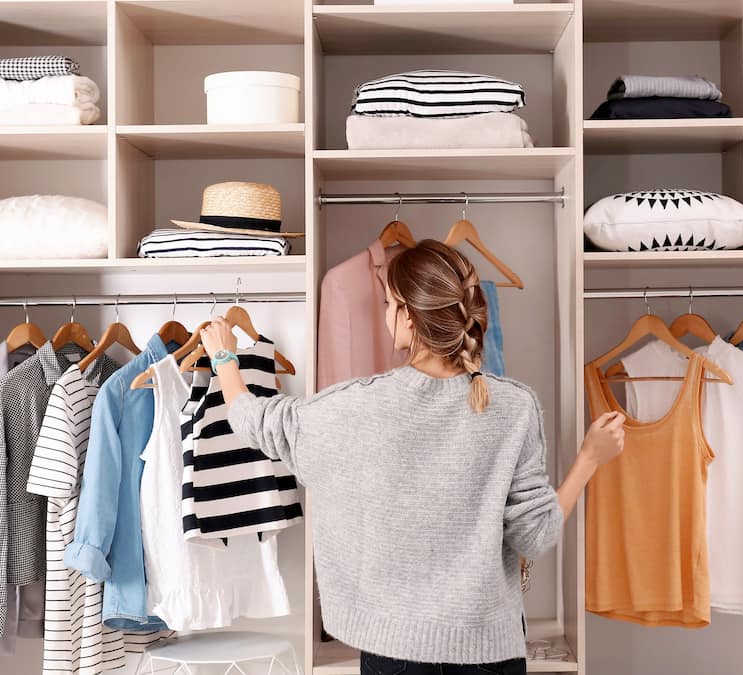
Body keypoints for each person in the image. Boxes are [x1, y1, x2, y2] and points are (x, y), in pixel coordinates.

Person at [199, 239, 625, 675]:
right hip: (490, 651)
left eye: (388, 303)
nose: (385, 314)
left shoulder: (355, 405)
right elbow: (534, 535)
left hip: (395, 651)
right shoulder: (514, 406)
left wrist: (225, 359)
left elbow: (257, 421)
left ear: (407, 314)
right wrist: (589, 457)